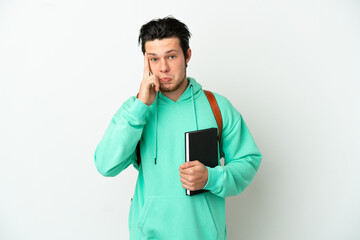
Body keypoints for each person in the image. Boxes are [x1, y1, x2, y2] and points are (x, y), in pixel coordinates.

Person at [94, 16, 262, 240]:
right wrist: (141, 106)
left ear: (187, 56)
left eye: (171, 56)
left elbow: (248, 161)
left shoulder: (217, 106)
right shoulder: (134, 109)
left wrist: (211, 178)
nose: (163, 68)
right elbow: (106, 165)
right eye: (153, 59)